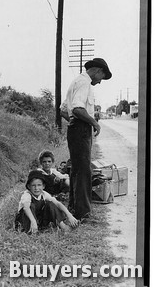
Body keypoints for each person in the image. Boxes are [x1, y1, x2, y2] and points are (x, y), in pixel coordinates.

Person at [64, 58, 112, 220]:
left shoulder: (76, 81)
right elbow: (77, 108)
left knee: (77, 169)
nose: (99, 82)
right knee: (84, 170)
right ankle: (83, 213)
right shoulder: (84, 83)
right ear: (97, 70)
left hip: (76, 128)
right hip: (81, 129)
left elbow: (63, 109)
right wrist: (94, 123)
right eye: (102, 77)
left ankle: (74, 206)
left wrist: (70, 119)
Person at [15, 170, 79, 234]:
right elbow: (26, 208)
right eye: (33, 185)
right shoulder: (27, 194)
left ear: (43, 186)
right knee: (31, 206)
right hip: (27, 220)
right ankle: (32, 230)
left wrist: (69, 215)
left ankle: (63, 226)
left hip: (38, 220)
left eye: (39, 185)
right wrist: (33, 221)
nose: (36, 188)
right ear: (29, 186)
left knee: (50, 204)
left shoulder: (44, 194)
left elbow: (58, 203)